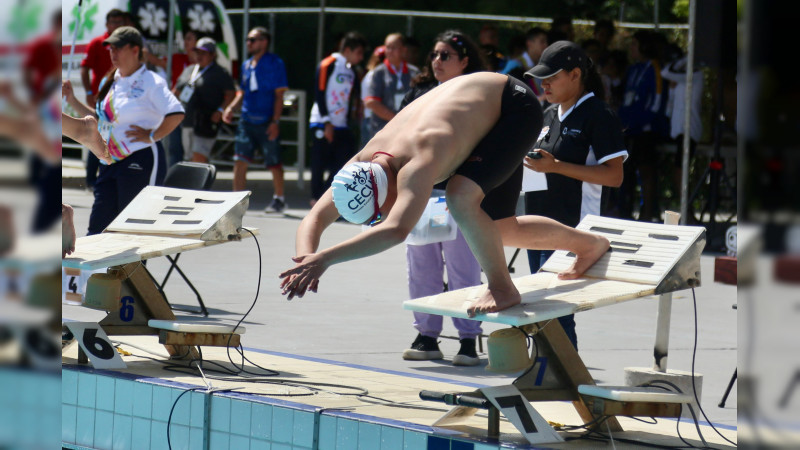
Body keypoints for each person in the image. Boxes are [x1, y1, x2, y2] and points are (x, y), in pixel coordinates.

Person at [278, 71, 611, 318]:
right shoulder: (361, 165)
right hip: (479, 110)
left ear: (386, 192)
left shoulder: (416, 164)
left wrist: (326, 259)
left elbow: (395, 230)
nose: (379, 220)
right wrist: (305, 260)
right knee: (499, 229)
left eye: (376, 214)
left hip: (513, 107)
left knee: (460, 198)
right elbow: (314, 217)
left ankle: (502, 287)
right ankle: (589, 245)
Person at [522, 41, 628, 349]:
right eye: (542, 77)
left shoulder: (598, 115)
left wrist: (556, 167)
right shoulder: (547, 114)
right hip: (536, 224)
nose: (545, 84)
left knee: (556, 310)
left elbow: (615, 176)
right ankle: (544, 375)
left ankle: (567, 383)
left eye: (552, 76)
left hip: (573, 228)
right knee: (541, 308)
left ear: (576, 74)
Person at [397, 30, 488, 366]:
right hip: (425, 195)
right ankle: (426, 335)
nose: (437, 61)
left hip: (462, 195)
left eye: (445, 55)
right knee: (423, 268)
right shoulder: (418, 94)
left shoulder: (479, 98)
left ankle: (468, 339)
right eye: (434, 54)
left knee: (464, 269)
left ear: (465, 61)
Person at [62, 26, 185, 235]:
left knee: (133, 231)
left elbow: (176, 112)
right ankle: (101, 270)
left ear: (135, 50)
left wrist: (152, 136)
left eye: (118, 47)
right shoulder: (110, 80)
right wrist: (72, 99)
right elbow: (101, 120)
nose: (113, 53)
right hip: (109, 160)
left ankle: (131, 269)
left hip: (140, 157)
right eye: (110, 48)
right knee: (98, 229)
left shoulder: (151, 81)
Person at [222, 27, 289, 213]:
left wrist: (275, 121)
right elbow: (241, 92)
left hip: (267, 121)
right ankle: (235, 201)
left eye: (253, 40)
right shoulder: (246, 65)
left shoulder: (275, 63)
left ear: (264, 42)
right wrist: (230, 108)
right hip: (246, 120)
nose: (248, 43)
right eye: (248, 40)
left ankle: (279, 198)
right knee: (240, 161)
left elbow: (279, 95)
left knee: (274, 162)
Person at [308, 32, 367, 207]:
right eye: (359, 53)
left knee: (344, 161)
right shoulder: (328, 64)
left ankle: (328, 198)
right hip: (322, 120)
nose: (361, 57)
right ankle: (315, 199)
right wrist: (326, 121)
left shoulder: (352, 71)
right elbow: (319, 92)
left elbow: (355, 96)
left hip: (341, 124)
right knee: (319, 162)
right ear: (347, 49)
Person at [616, 30, 666, 222]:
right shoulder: (633, 68)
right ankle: (625, 210)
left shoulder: (654, 67)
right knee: (626, 171)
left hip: (646, 129)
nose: (631, 48)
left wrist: (644, 121)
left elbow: (657, 99)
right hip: (629, 128)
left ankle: (648, 212)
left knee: (646, 170)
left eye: (635, 44)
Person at [81, 9, 126, 191]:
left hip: (118, 101)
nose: (115, 25)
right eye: (112, 22)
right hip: (101, 98)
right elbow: (85, 68)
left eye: (119, 21)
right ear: (107, 25)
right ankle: (91, 180)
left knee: (112, 139)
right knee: (97, 137)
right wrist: (88, 92)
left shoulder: (128, 45)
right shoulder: (97, 43)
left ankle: (107, 177)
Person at [173, 37, 235, 164]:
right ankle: (192, 182)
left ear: (213, 55)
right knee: (188, 157)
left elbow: (231, 93)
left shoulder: (220, 73)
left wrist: (220, 110)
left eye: (204, 53)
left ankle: (197, 183)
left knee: (199, 156)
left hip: (206, 121)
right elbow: (176, 92)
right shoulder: (189, 70)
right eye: (197, 52)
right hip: (186, 121)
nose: (199, 56)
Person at [661, 52, 704, 218]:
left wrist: (688, 57)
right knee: (677, 170)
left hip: (689, 130)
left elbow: (665, 72)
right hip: (678, 130)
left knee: (680, 170)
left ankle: (689, 209)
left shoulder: (696, 75)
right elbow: (671, 104)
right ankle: (686, 207)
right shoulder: (681, 81)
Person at [364, 33, 419, 137]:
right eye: (387, 47)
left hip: (407, 130)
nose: (389, 51)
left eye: (394, 48)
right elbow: (372, 102)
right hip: (382, 131)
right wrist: (396, 119)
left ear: (403, 50)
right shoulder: (378, 72)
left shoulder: (414, 72)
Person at [500, 27, 548, 100]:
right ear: (529, 43)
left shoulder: (543, 66)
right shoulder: (515, 64)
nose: (546, 46)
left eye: (546, 42)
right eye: (542, 42)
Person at [359, 45, 386, 149]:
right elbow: (369, 102)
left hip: (368, 119)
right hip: (373, 120)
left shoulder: (369, 74)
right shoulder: (376, 75)